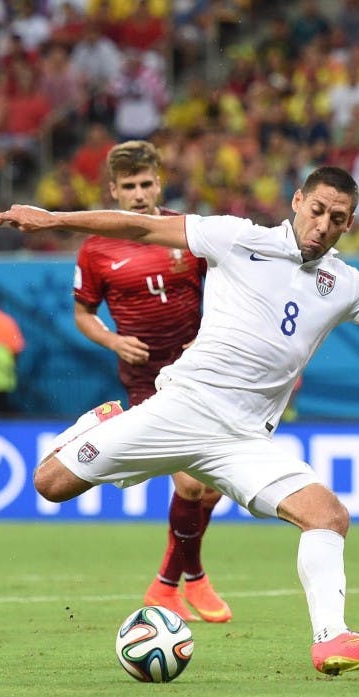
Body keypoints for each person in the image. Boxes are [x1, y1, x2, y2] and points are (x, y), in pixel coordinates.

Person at [0, 165, 359, 675]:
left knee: (327, 515)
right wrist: (51, 219)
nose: (323, 225)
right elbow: (142, 226)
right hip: (180, 407)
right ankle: (105, 417)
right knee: (50, 484)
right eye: (317, 210)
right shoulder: (234, 238)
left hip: (245, 440)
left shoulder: (347, 286)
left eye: (338, 218)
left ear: (349, 224)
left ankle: (332, 640)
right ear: (297, 201)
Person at [74, 139, 230, 623]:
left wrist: (205, 338)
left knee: (215, 485)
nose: (139, 194)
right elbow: (82, 313)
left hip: (201, 371)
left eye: (146, 184)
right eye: (129, 187)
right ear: (114, 192)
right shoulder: (96, 247)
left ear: (158, 183)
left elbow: (227, 289)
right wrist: (114, 341)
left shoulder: (185, 232)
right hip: (148, 379)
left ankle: (176, 582)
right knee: (189, 484)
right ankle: (178, 582)